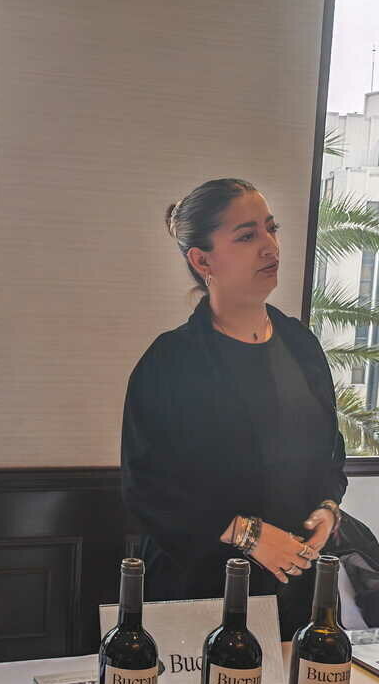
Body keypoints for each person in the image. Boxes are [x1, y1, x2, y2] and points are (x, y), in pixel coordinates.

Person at [121, 178, 347, 640]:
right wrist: (250, 534)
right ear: (202, 260)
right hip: (200, 585)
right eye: (246, 236)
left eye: (271, 229)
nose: (269, 246)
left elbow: (330, 451)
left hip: (294, 585)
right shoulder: (171, 360)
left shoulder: (301, 345)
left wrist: (327, 509)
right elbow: (148, 488)